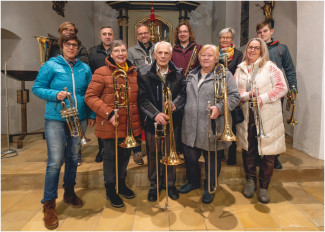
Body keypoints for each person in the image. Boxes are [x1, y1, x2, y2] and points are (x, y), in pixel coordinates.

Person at [32, 34, 95, 230]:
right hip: (56, 119)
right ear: (62, 46)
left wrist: (91, 114)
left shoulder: (84, 68)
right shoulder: (51, 65)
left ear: (78, 47)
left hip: (79, 118)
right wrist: (55, 94)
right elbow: (37, 88)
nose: (71, 48)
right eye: (68, 45)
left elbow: (90, 93)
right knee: (55, 161)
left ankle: (69, 191)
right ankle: (49, 204)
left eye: (75, 45)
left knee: (73, 157)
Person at [180, 44, 240, 204]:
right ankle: (193, 182)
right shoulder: (191, 74)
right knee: (190, 158)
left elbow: (235, 97)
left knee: (212, 159)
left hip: (212, 126)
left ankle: (210, 186)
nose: (206, 58)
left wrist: (220, 108)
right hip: (190, 125)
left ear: (216, 58)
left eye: (210, 55)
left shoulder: (224, 74)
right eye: (203, 55)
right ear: (198, 58)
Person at [85, 40, 141, 208]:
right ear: (111, 54)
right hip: (110, 123)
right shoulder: (101, 72)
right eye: (117, 50)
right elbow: (90, 96)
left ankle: (121, 184)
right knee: (110, 157)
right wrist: (108, 113)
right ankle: (110, 189)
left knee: (124, 156)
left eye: (123, 50)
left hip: (129, 123)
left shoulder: (133, 72)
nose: (120, 53)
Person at [234, 38, 288, 203]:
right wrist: (246, 95)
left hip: (267, 115)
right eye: (250, 47)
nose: (252, 50)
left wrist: (262, 98)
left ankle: (264, 186)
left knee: (268, 153)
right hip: (247, 115)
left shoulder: (270, 67)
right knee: (248, 149)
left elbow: (282, 87)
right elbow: (235, 91)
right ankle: (251, 180)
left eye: (256, 48)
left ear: (262, 50)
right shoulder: (240, 68)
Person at [138, 41, 186, 202]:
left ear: (171, 55)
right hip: (154, 121)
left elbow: (183, 94)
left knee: (171, 151)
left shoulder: (178, 73)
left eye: (166, 53)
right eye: (160, 53)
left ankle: (170, 184)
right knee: (153, 153)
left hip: (173, 121)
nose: (163, 56)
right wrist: (155, 114)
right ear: (154, 55)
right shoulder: (144, 73)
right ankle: (155, 185)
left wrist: (175, 105)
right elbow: (142, 99)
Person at [256, 18, 297, 169]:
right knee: (258, 124)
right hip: (258, 93)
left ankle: (274, 157)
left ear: (271, 31)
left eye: (265, 31)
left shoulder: (282, 49)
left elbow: (290, 70)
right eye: (259, 32)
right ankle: (258, 155)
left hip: (275, 93)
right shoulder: (254, 48)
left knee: (274, 126)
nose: (262, 34)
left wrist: (293, 88)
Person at [49, 21, 90, 166]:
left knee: (76, 133)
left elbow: (83, 67)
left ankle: (75, 154)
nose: (69, 32)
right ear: (60, 31)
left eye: (71, 30)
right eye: (65, 29)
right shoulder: (53, 49)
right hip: (58, 100)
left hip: (77, 99)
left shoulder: (81, 49)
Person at [127, 23, 156, 165]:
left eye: (146, 33)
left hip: (154, 89)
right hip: (139, 89)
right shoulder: (131, 51)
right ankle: (137, 151)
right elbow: (131, 69)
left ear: (150, 34)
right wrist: (147, 69)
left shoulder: (157, 48)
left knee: (153, 119)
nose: (143, 35)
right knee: (137, 121)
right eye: (140, 34)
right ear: (137, 36)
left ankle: (154, 149)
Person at [88, 26, 115, 163]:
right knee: (101, 121)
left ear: (113, 36)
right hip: (99, 90)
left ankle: (111, 149)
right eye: (104, 34)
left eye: (110, 34)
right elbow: (89, 70)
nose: (107, 36)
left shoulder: (117, 50)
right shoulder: (92, 51)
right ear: (100, 36)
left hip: (113, 89)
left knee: (111, 121)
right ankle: (101, 150)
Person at [218, 27, 243, 165]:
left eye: (228, 37)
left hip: (232, 91)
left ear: (232, 39)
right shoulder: (215, 52)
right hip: (218, 92)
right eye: (223, 38)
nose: (225, 40)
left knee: (232, 125)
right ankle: (220, 153)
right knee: (220, 124)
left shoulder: (238, 54)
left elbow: (239, 71)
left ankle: (232, 154)